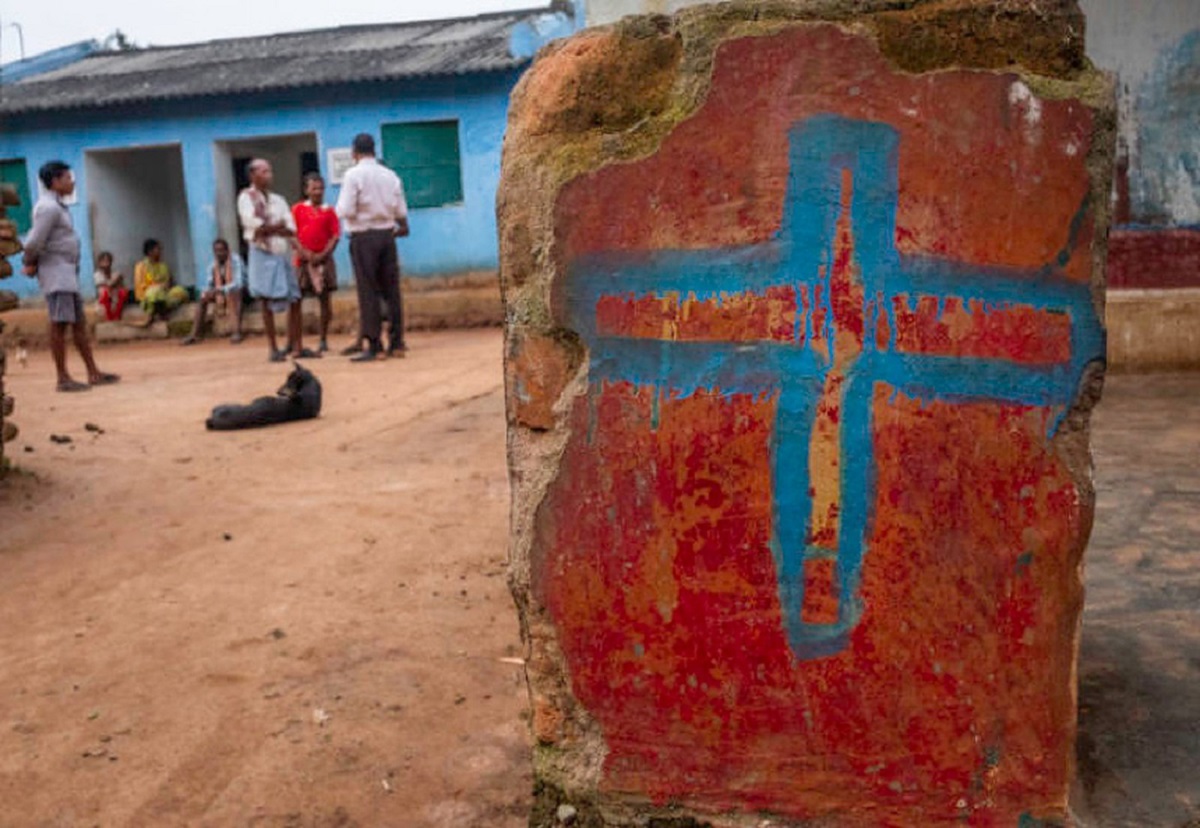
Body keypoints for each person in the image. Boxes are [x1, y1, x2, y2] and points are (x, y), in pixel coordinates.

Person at [21, 160, 119, 392]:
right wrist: (29, 262)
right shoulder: (48, 208)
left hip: (66, 273)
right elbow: (34, 241)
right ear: (55, 182)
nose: (72, 181)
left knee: (77, 324)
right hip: (56, 274)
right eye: (67, 178)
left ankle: (93, 372)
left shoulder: (57, 206)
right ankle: (62, 378)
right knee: (59, 324)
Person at [335, 133, 409, 362]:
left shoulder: (353, 175)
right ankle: (396, 343)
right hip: (387, 235)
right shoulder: (390, 175)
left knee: (368, 291)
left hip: (363, 236)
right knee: (391, 290)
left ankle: (374, 345)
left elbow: (345, 209)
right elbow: (401, 211)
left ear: (354, 152)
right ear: (374, 150)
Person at [237, 159, 315, 362]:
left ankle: (297, 345)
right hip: (262, 253)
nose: (269, 174)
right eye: (264, 171)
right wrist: (275, 227)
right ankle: (273, 348)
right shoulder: (246, 198)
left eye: (269, 170)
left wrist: (270, 228)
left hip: (282, 252)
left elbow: (290, 227)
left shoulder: (278, 200)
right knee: (265, 299)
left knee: (294, 297)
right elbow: (252, 223)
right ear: (253, 175)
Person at [292, 172, 340, 353]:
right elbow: (292, 234)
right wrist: (304, 253)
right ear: (306, 190)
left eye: (321, 188)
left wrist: (322, 255)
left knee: (325, 301)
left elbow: (335, 236)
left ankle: (323, 339)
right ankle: (295, 340)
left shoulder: (329, 211)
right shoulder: (297, 209)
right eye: (314, 188)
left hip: (324, 261)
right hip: (301, 261)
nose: (318, 192)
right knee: (296, 301)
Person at [181, 238, 246, 346]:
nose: (219, 253)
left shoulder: (236, 260)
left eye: (221, 250)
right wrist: (208, 292)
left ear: (227, 250)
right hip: (222, 292)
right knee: (202, 299)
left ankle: (236, 332)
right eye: (216, 251)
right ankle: (194, 334)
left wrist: (219, 289)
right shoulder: (212, 265)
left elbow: (239, 283)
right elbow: (209, 284)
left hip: (241, 292)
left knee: (236, 293)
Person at [134, 239, 186, 321]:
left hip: (165, 293)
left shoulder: (163, 265)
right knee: (155, 293)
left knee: (181, 291)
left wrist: (166, 285)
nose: (160, 251)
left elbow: (169, 282)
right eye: (158, 249)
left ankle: (164, 308)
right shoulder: (141, 266)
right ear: (150, 252)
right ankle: (157, 313)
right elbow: (142, 285)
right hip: (149, 296)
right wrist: (158, 286)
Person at [93, 251, 129, 321]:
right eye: (103, 261)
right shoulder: (97, 275)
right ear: (99, 263)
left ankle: (117, 316)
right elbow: (108, 286)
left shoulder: (114, 273)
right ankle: (109, 317)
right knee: (105, 292)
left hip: (115, 299)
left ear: (111, 262)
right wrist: (116, 280)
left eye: (107, 261)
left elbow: (122, 287)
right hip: (104, 301)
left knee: (123, 292)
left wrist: (119, 281)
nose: (105, 263)